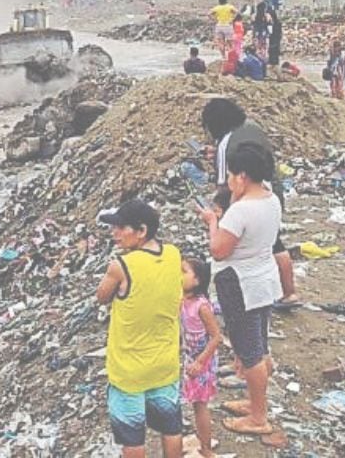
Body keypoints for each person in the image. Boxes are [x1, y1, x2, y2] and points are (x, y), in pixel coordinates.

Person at [197, 143, 280, 437]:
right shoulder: (270, 198)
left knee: (249, 353)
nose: (229, 181)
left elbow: (219, 250)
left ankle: (258, 417)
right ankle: (256, 403)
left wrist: (212, 222)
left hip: (240, 284)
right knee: (259, 345)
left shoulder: (239, 212)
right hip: (264, 279)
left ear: (242, 176)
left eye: (232, 175)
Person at [96, 199, 184, 458]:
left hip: (129, 370)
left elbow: (101, 296)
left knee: (133, 438)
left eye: (121, 227)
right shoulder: (173, 254)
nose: (115, 233)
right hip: (165, 364)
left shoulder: (121, 266)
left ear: (142, 230)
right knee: (171, 428)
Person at [199, 99, 298, 308]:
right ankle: (289, 293)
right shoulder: (251, 128)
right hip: (269, 192)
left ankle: (238, 296)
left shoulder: (226, 144)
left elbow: (224, 185)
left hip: (247, 197)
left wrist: (218, 214)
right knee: (274, 243)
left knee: (238, 247)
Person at [180, 256, 221, 458]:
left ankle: (206, 450)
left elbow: (216, 337)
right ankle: (203, 442)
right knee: (196, 403)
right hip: (191, 357)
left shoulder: (201, 306)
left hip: (202, 360)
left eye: (183, 272)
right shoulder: (183, 300)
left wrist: (199, 362)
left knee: (200, 404)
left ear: (197, 280)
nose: (178, 276)